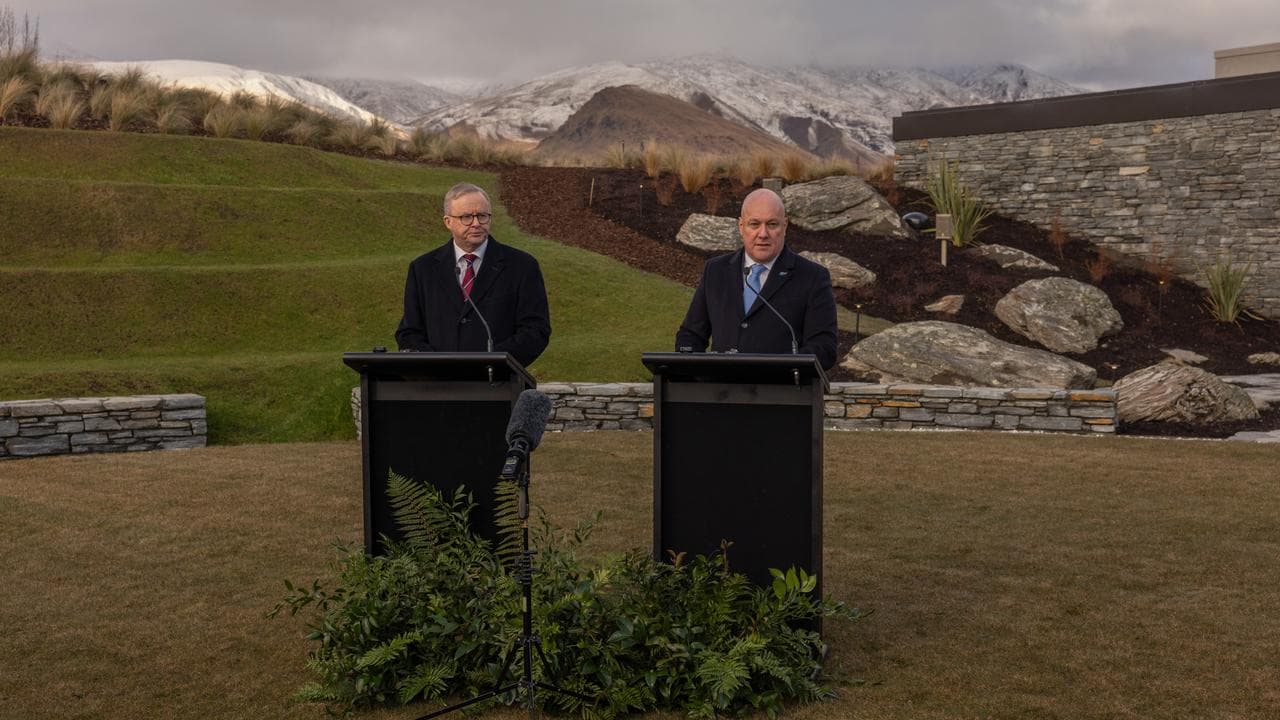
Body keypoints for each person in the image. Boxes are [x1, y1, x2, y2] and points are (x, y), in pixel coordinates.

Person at [675, 188, 838, 369]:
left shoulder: (812, 277)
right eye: (754, 224)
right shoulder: (716, 271)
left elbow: (824, 348)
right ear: (741, 226)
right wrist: (689, 369)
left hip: (783, 392)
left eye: (772, 224)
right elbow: (691, 335)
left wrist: (778, 368)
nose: (763, 234)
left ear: (785, 226)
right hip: (721, 392)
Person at [396, 182, 551, 367]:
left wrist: (491, 363)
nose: (476, 223)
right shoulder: (422, 269)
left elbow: (535, 331)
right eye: (467, 217)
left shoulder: (522, 266)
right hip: (438, 385)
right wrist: (438, 366)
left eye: (482, 216)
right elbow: (409, 332)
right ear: (448, 221)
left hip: (497, 383)